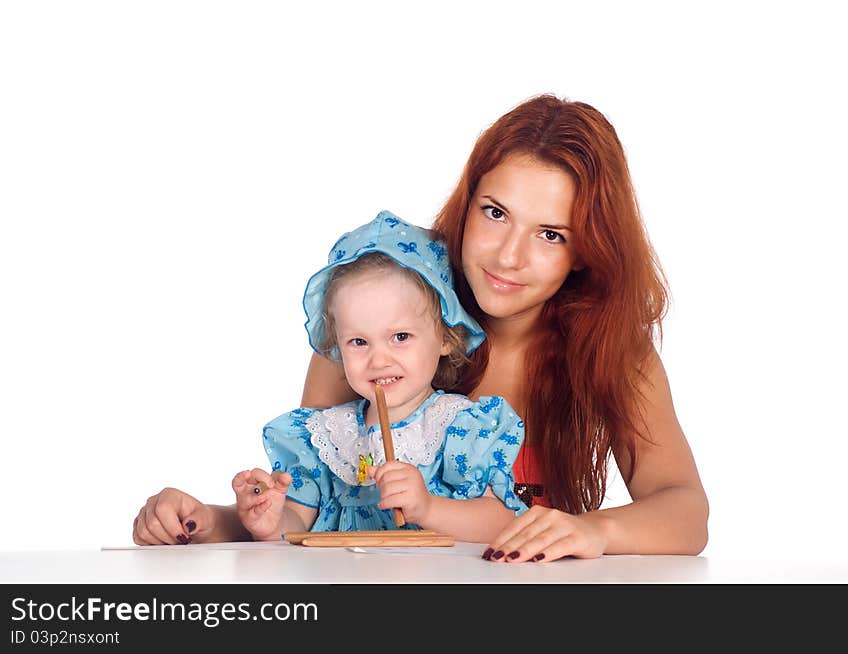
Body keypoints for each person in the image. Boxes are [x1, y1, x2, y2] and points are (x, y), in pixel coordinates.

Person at [300, 94, 710, 562]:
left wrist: (591, 530)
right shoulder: (380, 311)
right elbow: (308, 499)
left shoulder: (609, 345)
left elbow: (685, 510)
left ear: (587, 252)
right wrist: (224, 520)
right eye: (495, 213)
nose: (508, 257)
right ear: (466, 203)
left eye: (550, 234)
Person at [132, 211, 527, 545]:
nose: (379, 359)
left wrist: (428, 507)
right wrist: (269, 520)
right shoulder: (325, 436)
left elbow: (503, 522)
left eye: (400, 337)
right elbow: (298, 523)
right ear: (337, 346)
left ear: (445, 336)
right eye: (359, 341)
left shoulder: (461, 428)